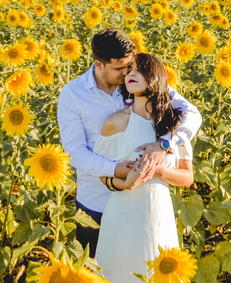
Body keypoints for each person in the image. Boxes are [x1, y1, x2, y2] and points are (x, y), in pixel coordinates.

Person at [57, 28, 201, 257]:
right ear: (98, 65)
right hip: (97, 199)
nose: (126, 73)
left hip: (139, 203)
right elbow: (74, 151)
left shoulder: (138, 82)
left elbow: (191, 113)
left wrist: (164, 144)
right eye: (119, 68)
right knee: (95, 269)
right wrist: (114, 170)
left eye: (129, 65)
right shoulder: (73, 94)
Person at [92, 53, 195, 283]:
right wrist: (126, 183)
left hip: (158, 214)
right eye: (129, 70)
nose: (130, 74)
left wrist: (157, 171)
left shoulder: (175, 125)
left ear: (156, 76)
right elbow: (100, 172)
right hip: (121, 212)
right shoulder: (115, 121)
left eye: (139, 70)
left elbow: (187, 177)